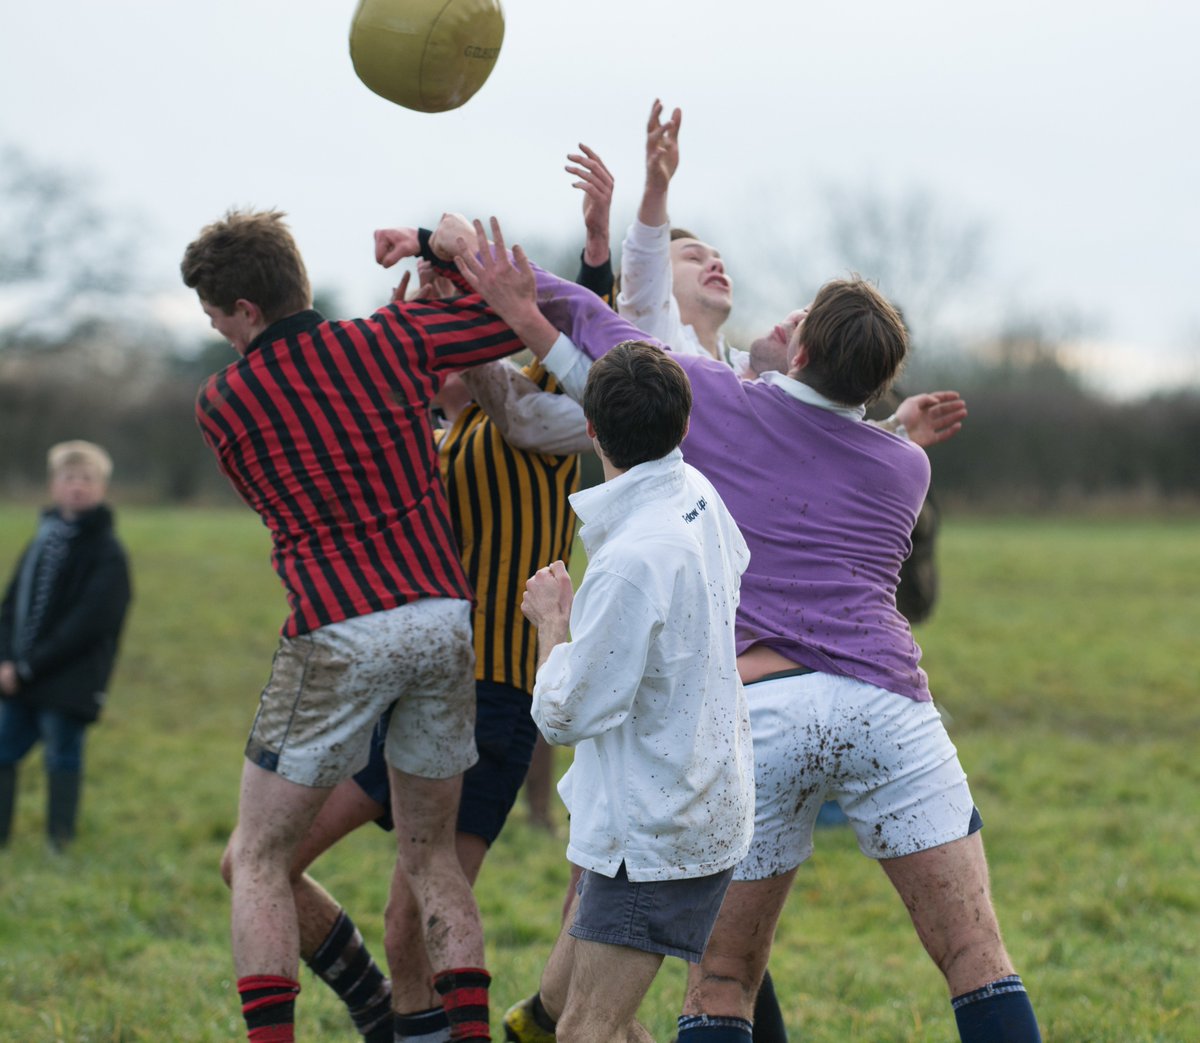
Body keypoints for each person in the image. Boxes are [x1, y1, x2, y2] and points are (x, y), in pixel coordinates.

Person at [455, 225, 1039, 1042]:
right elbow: (838, 459)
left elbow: (596, 330)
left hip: (759, 718)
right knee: (977, 952)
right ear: (877, 383)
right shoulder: (908, 466)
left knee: (725, 979)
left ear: (796, 357)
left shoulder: (720, 403)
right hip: (887, 708)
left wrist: (495, 281)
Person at [181, 208, 578, 1043]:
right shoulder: (387, 340)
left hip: (336, 624)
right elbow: (519, 299)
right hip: (444, 619)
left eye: (217, 316)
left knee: (256, 856)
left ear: (247, 309)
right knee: (431, 860)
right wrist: (440, 251)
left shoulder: (222, 402)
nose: (217, 334)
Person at [497, 339, 754, 1043]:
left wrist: (554, 621)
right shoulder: (699, 494)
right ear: (683, 423)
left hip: (656, 825)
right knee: (582, 1011)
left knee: (586, 1029)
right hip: (696, 793)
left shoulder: (633, 558)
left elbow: (564, 711)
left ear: (590, 428)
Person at [0, 440, 131, 851]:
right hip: (19, 674)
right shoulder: (42, 542)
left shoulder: (107, 552)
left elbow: (90, 623)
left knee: (62, 754)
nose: (77, 487)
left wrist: (31, 667)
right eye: (69, 478)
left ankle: (60, 843)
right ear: (54, 484)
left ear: (102, 487)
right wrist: (7, 660)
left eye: (87, 479)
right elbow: (12, 604)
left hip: (68, 678)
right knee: (3, 749)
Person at [616, 100, 751, 376]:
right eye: (693, 257)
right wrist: (656, 188)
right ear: (662, 281)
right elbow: (646, 262)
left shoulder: (743, 371)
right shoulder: (659, 343)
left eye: (717, 259)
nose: (716, 265)